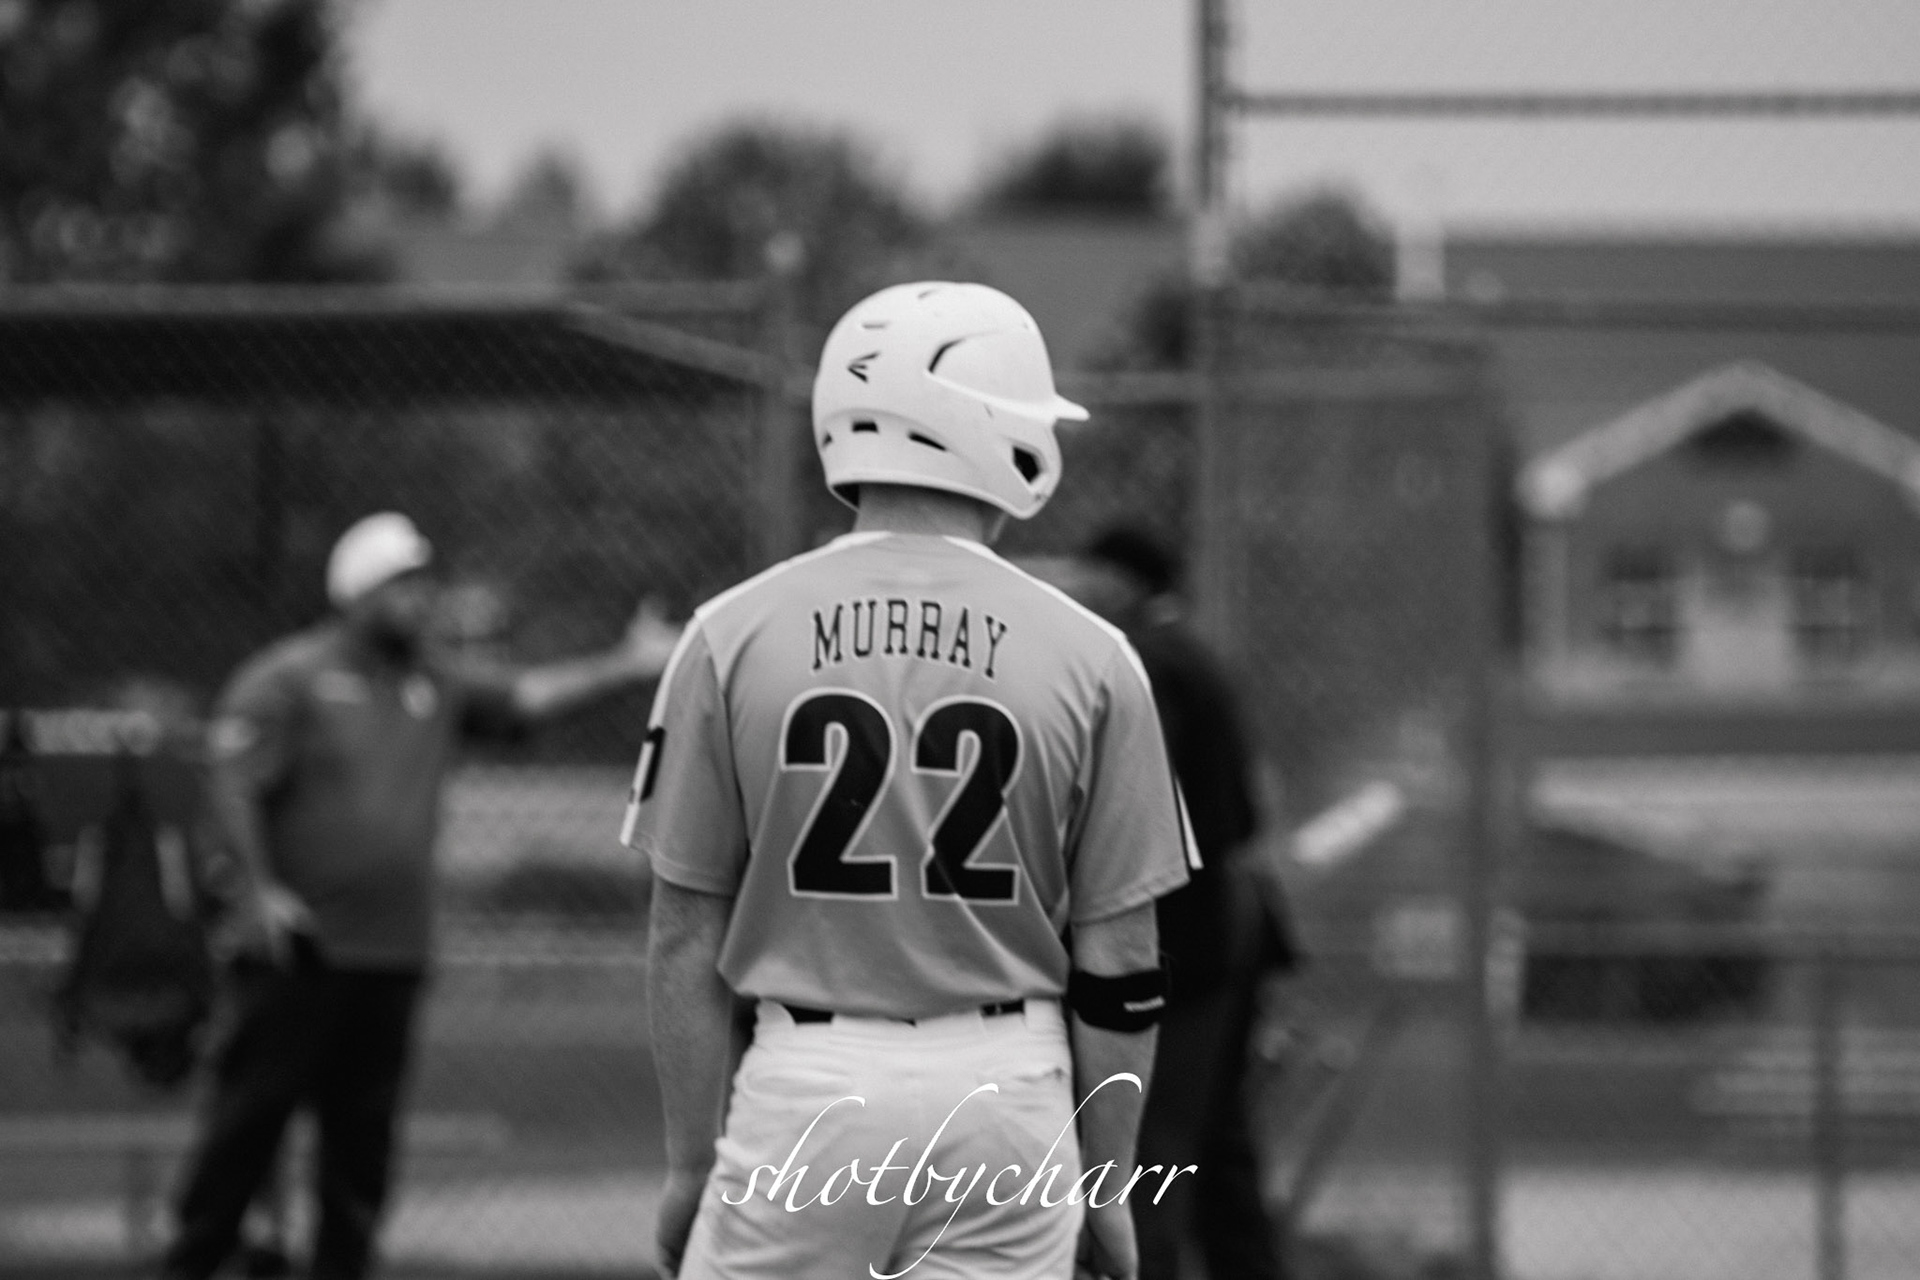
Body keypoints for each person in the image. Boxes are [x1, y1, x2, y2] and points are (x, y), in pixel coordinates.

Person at [628, 282, 1195, 1280]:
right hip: (1007, 1089)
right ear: (996, 430)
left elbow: (684, 934)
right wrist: (1108, 1184)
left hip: (809, 1082)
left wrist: (689, 1164)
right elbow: (1122, 956)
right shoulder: (1096, 653)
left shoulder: (728, 632)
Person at [156, 511, 680, 1280]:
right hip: (297, 954)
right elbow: (232, 785)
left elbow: (528, 696)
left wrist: (628, 664)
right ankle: (191, 1262)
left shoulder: (434, 681)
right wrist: (260, 893)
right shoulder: (288, 678)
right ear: (356, 591)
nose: (419, 599)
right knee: (247, 1126)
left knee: (360, 1147)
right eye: (401, 584)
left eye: (423, 584)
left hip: (391, 954)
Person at [1072, 524, 1302, 1280]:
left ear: (1125, 578)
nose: (1082, 590)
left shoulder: (1151, 662)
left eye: (1093, 574)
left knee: (1152, 1146)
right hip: (1230, 921)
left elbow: (1133, 804)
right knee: (1217, 1142)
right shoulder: (1191, 652)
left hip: (1184, 935)